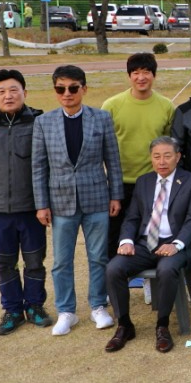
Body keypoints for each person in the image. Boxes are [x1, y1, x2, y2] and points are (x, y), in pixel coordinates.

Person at [32, 65, 123, 336]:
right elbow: (39, 167)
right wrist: (41, 204)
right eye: (60, 88)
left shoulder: (101, 118)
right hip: (60, 201)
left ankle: (98, 305)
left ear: (84, 88)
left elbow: (113, 160)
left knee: (98, 257)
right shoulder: (43, 122)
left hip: (97, 198)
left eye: (73, 88)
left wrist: (116, 194)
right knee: (61, 260)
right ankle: (66, 311)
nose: (67, 93)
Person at [0, 69, 53, 335]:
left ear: (24, 92)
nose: (8, 96)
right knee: (5, 263)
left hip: (32, 208)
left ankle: (35, 306)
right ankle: (12, 310)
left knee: (35, 261)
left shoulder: (40, 122)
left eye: (14, 90)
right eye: (1, 91)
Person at [103, 136, 191, 353]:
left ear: (178, 157)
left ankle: (162, 326)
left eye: (167, 156)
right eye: (157, 156)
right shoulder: (144, 182)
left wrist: (176, 244)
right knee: (114, 268)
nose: (162, 161)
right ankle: (124, 325)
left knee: (167, 269)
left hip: (175, 243)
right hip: (145, 243)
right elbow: (132, 217)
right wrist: (126, 241)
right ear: (151, 158)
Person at [102, 52, 176, 259]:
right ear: (129, 76)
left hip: (153, 183)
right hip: (119, 183)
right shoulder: (111, 106)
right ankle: (114, 276)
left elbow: (170, 145)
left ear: (154, 75)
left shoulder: (166, 106)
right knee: (115, 236)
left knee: (148, 237)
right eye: (135, 72)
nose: (141, 77)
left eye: (146, 72)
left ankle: (148, 274)